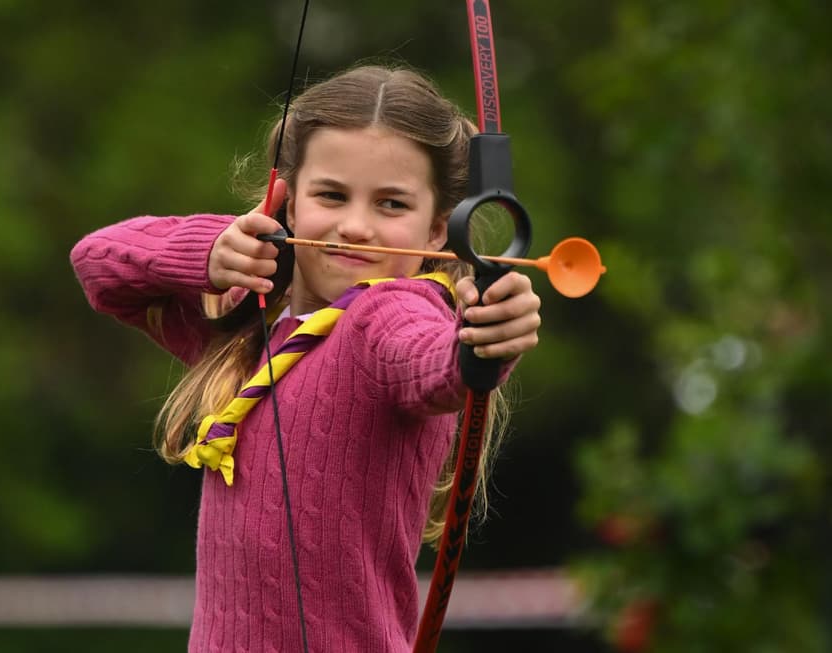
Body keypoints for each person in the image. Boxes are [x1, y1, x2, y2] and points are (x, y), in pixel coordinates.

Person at [71, 64, 541, 652]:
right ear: (287, 202)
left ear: (440, 229)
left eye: (391, 204)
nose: (354, 226)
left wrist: (486, 340)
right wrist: (215, 250)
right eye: (331, 195)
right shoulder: (245, 324)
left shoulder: (389, 315)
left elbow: (435, 365)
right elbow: (99, 264)